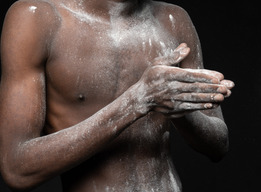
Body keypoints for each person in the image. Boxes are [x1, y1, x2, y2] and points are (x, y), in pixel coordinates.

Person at [0, 0, 234, 191]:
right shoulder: (38, 17)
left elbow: (218, 145)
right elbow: (17, 169)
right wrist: (137, 101)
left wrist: (178, 106)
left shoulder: (174, 20)